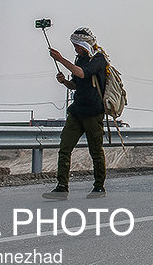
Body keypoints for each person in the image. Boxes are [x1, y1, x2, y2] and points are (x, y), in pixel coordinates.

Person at [42, 27, 108, 200]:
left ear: (84, 44)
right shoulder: (79, 59)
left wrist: (60, 59)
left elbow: (83, 73)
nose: (75, 48)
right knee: (65, 148)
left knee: (95, 151)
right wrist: (64, 82)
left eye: (76, 45)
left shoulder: (99, 59)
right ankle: (62, 187)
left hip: (93, 113)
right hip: (77, 112)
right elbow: (77, 83)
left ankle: (99, 187)